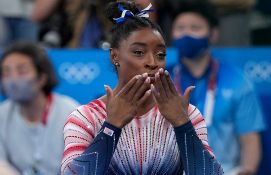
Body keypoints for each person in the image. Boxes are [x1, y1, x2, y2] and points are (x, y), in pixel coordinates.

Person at [61, 1, 223, 175]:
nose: (153, 63)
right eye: (138, 52)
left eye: (160, 54)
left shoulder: (186, 114)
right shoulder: (86, 117)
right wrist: (112, 125)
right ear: (115, 56)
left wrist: (182, 125)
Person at [170, 1, 266, 175]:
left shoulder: (238, 81)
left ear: (213, 34)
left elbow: (250, 141)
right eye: (180, 28)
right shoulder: (161, 80)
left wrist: (247, 170)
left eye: (195, 28)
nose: (186, 34)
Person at [0, 41, 79, 175]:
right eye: (6, 73)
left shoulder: (71, 112)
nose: (13, 80)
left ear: (42, 78)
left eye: (22, 71)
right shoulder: (2, 113)